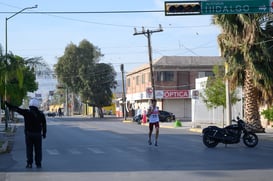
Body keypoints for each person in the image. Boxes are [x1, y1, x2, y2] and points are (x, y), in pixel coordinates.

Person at [5, 98, 47, 168]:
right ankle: (38, 163)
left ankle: (29, 163)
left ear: (30, 105)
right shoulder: (41, 114)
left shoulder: (26, 112)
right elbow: (44, 125)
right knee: (38, 149)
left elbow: (16, 109)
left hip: (29, 134)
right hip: (38, 134)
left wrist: (7, 104)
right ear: (37, 105)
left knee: (29, 149)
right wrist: (44, 133)